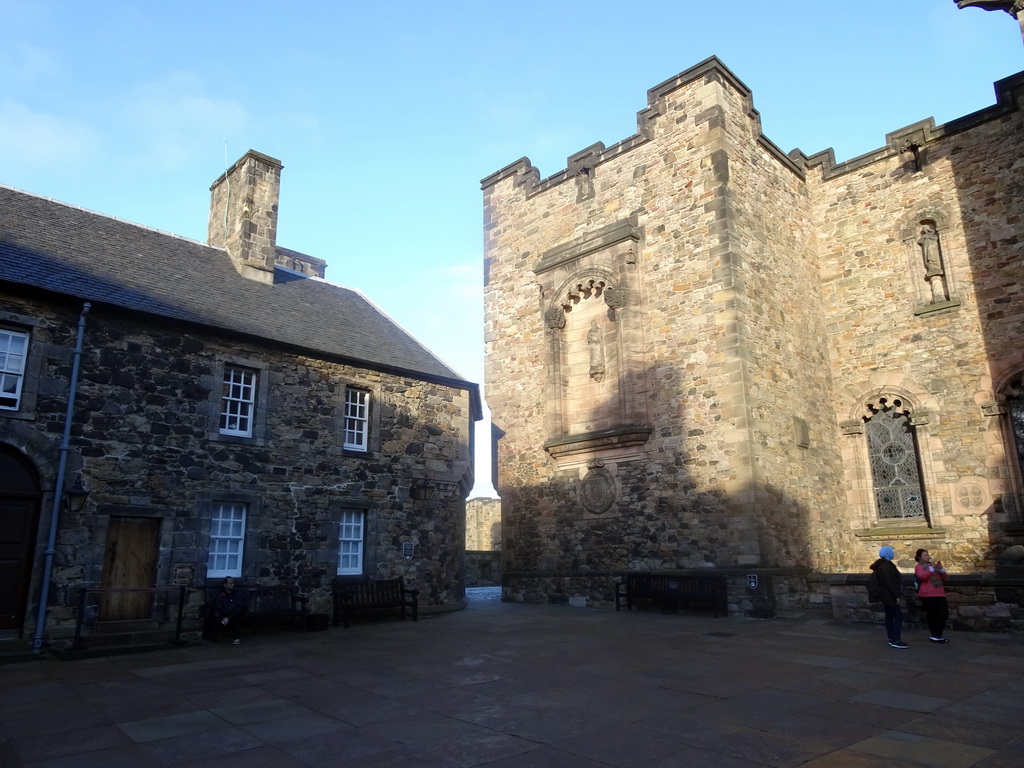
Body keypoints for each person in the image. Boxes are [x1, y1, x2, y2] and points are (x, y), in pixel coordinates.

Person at [870, 546, 908, 649]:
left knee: (890, 616)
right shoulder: (886, 566)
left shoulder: (884, 565)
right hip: (889, 596)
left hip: (887, 596)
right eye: (891, 552)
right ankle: (895, 639)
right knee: (898, 616)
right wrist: (896, 596)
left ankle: (892, 638)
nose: (893, 553)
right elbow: (889, 582)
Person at [914, 549, 950, 643]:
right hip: (928, 594)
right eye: (925, 555)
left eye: (927, 555)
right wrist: (931, 569)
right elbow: (923, 577)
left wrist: (941, 570)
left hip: (939, 592)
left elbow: (945, 577)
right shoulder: (919, 567)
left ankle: (937, 633)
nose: (928, 556)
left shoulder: (932, 566)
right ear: (920, 558)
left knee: (944, 613)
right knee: (932, 614)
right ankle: (936, 634)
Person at [212, 577, 248, 645]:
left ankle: (229, 618)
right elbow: (219, 606)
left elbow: (242, 604)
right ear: (225, 585)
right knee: (235, 616)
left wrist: (229, 616)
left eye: (233, 583)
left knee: (237, 611)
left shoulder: (238, 592)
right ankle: (236, 638)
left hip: (237, 612)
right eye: (230, 583)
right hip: (227, 612)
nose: (233, 584)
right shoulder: (220, 595)